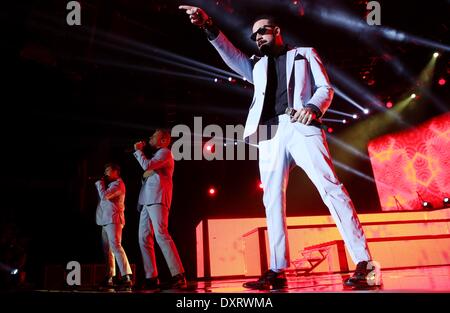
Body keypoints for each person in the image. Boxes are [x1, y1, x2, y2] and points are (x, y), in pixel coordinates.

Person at [179, 5, 381, 289]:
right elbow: (231, 55)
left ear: (276, 31)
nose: (257, 38)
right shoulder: (256, 65)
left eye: (261, 32)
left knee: (330, 187)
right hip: (269, 134)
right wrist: (208, 25)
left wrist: (312, 107)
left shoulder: (305, 53)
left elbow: (325, 88)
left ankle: (364, 261)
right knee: (272, 199)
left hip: (301, 126)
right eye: (254, 36)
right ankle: (277, 268)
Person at [134, 129, 186, 290]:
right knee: (143, 238)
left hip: (158, 199)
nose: (150, 137)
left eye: (154, 135)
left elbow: (147, 166)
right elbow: (147, 174)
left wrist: (138, 151)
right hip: (147, 201)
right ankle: (151, 277)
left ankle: (178, 274)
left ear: (164, 140)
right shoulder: (157, 157)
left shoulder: (165, 153)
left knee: (161, 234)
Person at [95, 163, 133, 289]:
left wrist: (99, 183)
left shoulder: (118, 184)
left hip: (114, 220)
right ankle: (110, 276)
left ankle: (127, 276)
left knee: (116, 246)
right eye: (105, 169)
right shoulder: (110, 184)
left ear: (116, 171)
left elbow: (105, 196)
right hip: (105, 220)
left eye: (108, 170)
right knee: (107, 250)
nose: (105, 172)